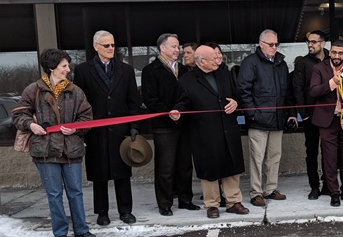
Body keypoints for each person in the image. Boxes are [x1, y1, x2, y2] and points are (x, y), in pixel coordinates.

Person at [11, 49, 95, 237]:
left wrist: (76, 128)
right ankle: (60, 232)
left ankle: (82, 230)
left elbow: (87, 116)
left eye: (67, 66)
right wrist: (31, 125)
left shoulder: (76, 91)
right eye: (64, 66)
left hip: (71, 150)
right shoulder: (33, 90)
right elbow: (18, 114)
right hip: (45, 152)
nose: (68, 69)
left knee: (76, 192)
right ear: (51, 68)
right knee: (54, 195)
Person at [169, 45, 250, 219]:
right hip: (204, 132)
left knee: (232, 166)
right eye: (213, 57)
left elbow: (237, 95)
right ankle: (212, 205)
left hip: (228, 128)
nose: (218, 60)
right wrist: (177, 113)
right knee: (209, 169)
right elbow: (182, 104)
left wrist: (236, 103)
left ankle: (233, 202)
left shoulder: (224, 74)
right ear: (201, 62)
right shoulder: (186, 80)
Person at [73, 31, 141, 226]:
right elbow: (80, 102)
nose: (111, 48)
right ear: (96, 47)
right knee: (99, 173)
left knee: (122, 173)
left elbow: (133, 102)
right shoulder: (83, 70)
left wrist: (134, 126)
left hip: (120, 131)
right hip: (96, 132)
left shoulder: (126, 70)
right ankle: (102, 212)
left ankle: (125, 210)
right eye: (106, 45)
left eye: (113, 45)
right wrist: (82, 131)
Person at [237, 29, 297, 207]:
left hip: (278, 118)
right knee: (257, 158)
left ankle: (270, 189)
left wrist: (291, 113)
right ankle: (256, 192)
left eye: (276, 44)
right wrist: (252, 113)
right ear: (261, 43)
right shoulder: (250, 62)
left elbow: (287, 92)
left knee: (274, 156)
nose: (274, 47)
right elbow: (243, 90)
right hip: (258, 120)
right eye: (271, 44)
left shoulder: (281, 63)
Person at [142, 33, 200, 216]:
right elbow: (150, 99)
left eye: (178, 47)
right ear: (162, 48)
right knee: (165, 167)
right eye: (174, 47)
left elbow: (188, 96)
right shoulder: (151, 70)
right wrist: (169, 113)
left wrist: (179, 111)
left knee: (185, 165)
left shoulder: (183, 70)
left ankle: (185, 199)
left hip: (183, 123)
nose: (178, 50)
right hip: (163, 125)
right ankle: (165, 203)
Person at [309, 40, 343, 207]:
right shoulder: (319, 69)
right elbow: (313, 91)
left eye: (341, 53)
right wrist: (330, 84)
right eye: (334, 52)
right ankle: (334, 193)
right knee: (329, 159)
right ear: (329, 52)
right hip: (326, 121)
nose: (337, 56)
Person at [292, 30, 330, 200]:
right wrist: (303, 114)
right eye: (309, 42)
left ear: (323, 43)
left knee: (329, 151)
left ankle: (329, 184)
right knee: (312, 152)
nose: (310, 45)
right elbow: (297, 90)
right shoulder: (302, 63)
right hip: (311, 115)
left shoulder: (332, 59)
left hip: (330, 114)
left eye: (314, 42)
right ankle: (314, 186)